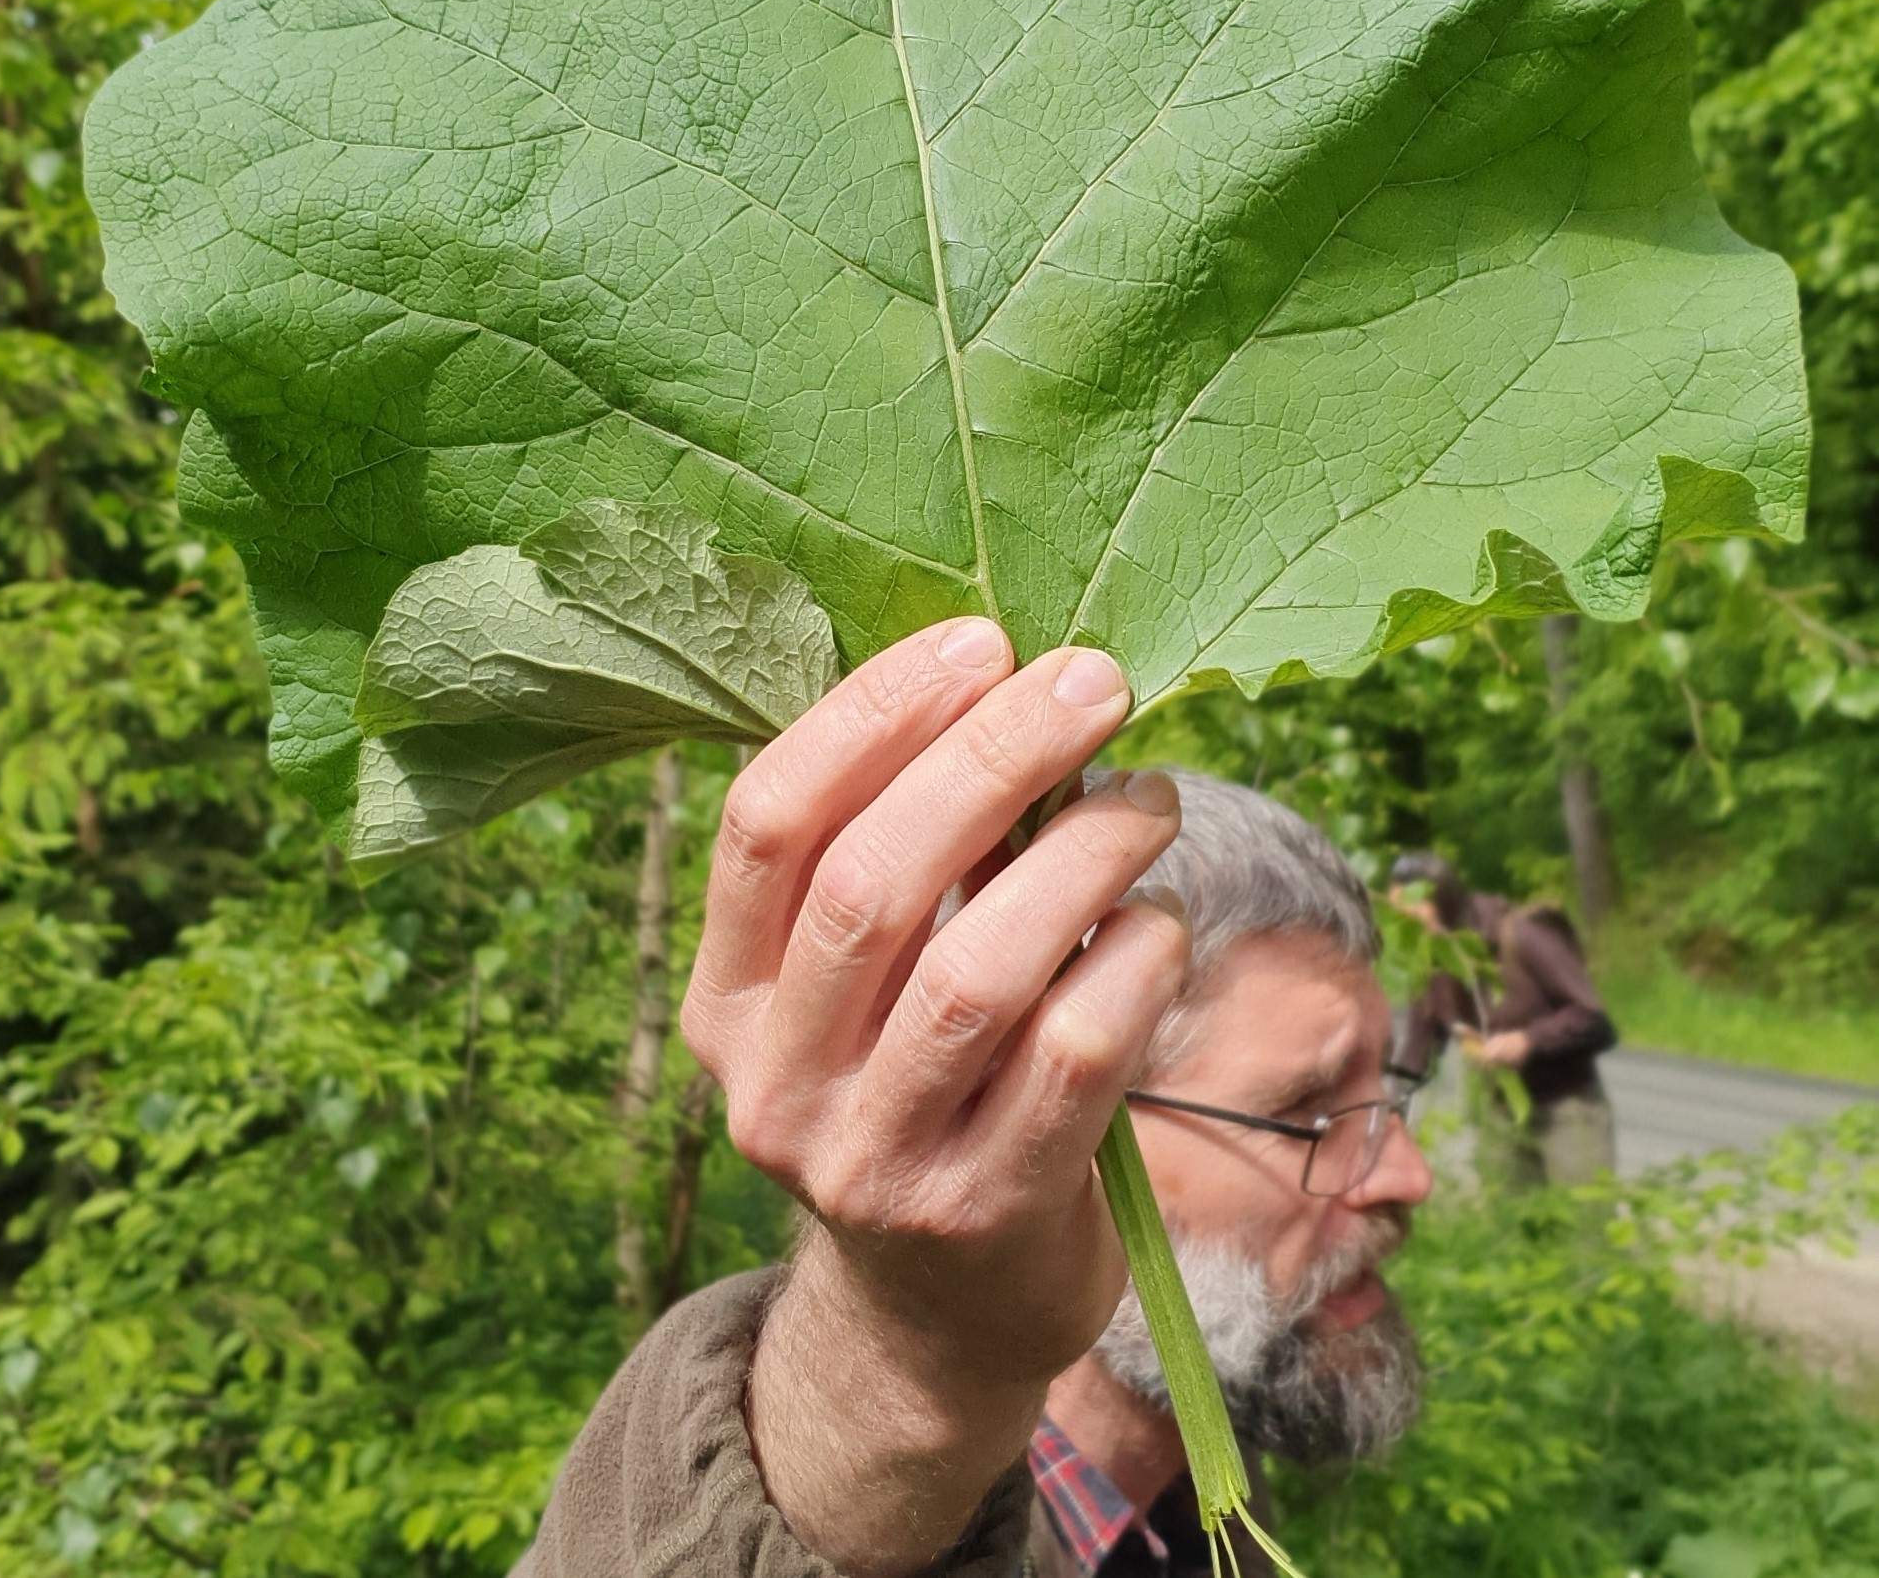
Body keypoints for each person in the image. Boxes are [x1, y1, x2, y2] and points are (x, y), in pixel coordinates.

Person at [511, 620, 1434, 1578]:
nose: (1409, 1175)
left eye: (1391, 1092)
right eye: (1311, 1108)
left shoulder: (1209, 1530)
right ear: (1048, 1118)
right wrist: (900, 1365)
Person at [1387, 849, 1617, 1188]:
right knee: (1508, 1217)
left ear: (1444, 904)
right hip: (1499, 1111)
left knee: (1582, 1215)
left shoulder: (1521, 935)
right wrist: (1388, 1115)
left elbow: (1594, 1019)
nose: (1406, 928)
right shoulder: (1432, 959)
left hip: (1568, 1107)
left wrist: (1529, 1041)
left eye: (1412, 914)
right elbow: (1418, 1049)